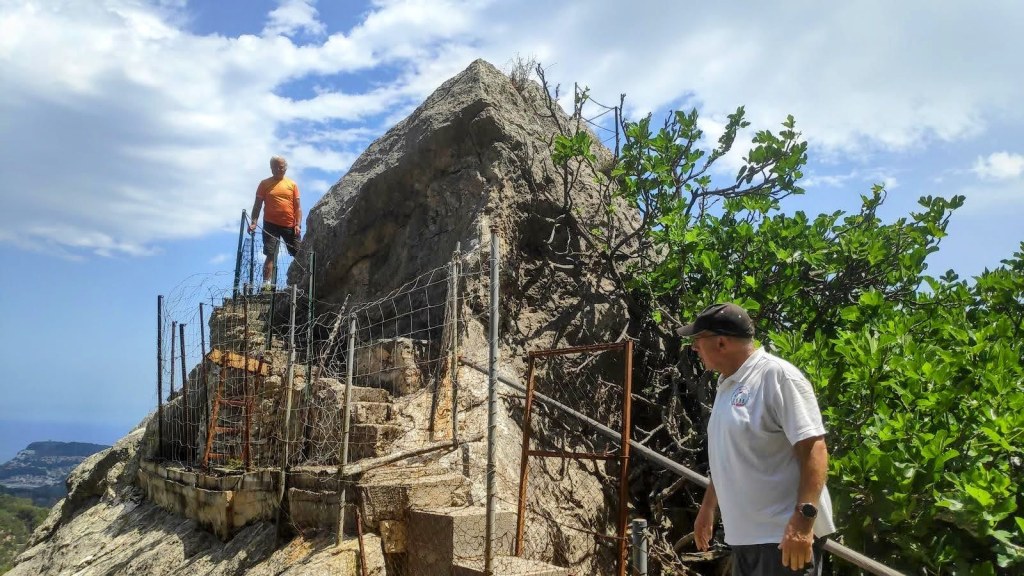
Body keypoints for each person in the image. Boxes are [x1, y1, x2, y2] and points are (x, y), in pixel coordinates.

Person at [678, 303, 835, 575]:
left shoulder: (776, 376)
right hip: (745, 539)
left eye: (697, 340)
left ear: (722, 343)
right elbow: (729, 456)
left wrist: (802, 523)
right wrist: (707, 508)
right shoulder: (728, 385)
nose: (694, 348)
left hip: (782, 540)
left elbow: (815, 449)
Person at [249, 156, 301, 291]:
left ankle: (301, 282)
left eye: (281, 167)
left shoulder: (292, 184)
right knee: (270, 254)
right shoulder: (264, 184)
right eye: (275, 167)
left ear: (286, 167)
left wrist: (298, 224)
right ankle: (266, 285)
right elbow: (257, 205)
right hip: (270, 224)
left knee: (299, 253)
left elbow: (298, 207)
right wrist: (254, 222)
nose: (279, 169)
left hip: (289, 225)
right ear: (271, 168)